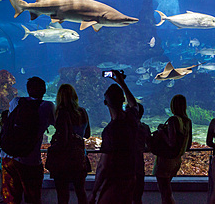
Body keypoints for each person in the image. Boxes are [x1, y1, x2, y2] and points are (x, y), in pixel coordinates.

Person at [1, 76, 55, 204]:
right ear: (44, 90)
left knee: (11, 199)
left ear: (28, 89)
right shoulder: (47, 106)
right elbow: (56, 124)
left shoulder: (15, 101)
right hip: (30, 159)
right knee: (33, 197)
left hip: (8, 157)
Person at [88, 70, 139, 204]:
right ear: (123, 100)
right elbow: (134, 105)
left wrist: (94, 192)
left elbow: (103, 165)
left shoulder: (110, 130)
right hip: (132, 177)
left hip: (115, 181)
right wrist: (122, 83)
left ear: (106, 103)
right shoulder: (132, 118)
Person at [51, 84, 91, 204]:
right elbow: (87, 134)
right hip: (79, 157)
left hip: (63, 160)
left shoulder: (61, 114)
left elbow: (63, 139)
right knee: (81, 191)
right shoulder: (83, 111)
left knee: (62, 194)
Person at [152, 94, 192, 204]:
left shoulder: (173, 120)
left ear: (173, 106)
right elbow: (188, 144)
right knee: (167, 192)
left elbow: (171, 142)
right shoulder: (187, 121)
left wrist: (161, 131)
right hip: (177, 160)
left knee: (165, 194)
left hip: (165, 160)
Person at [129, 103, 151, 204]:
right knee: (138, 195)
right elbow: (149, 146)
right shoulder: (145, 127)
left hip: (125, 164)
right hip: (139, 163)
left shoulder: (123, 128)